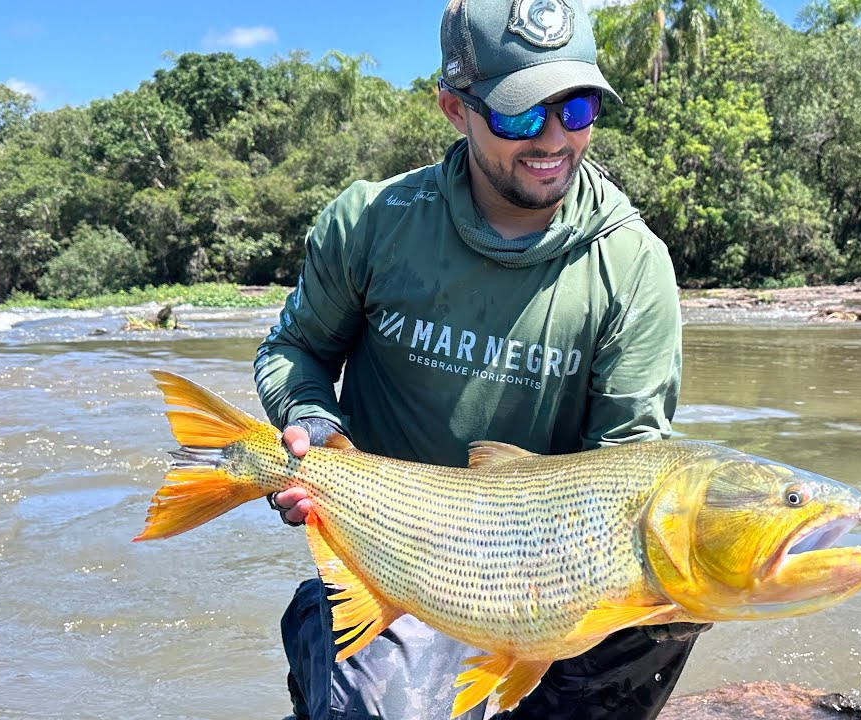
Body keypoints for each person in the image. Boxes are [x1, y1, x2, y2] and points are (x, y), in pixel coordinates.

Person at [253, 0, 707, 718]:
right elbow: (295, 349)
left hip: (556, 566)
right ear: (454, 109)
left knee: (678, 595)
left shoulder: (634, 264)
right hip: (394, 554)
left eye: (577, 107)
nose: (553, 139)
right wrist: (311, 422)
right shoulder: (372, 224)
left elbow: (629, 462)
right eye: (520, 116)